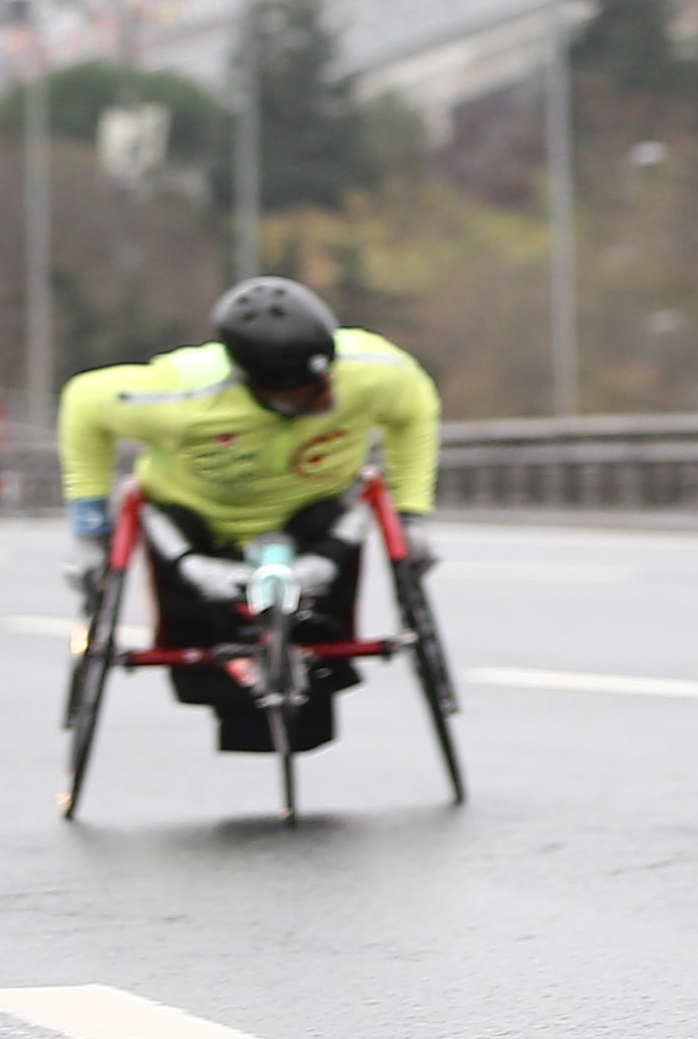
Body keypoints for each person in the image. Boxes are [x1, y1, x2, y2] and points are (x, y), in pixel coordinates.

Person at [58, 277, 439, 756]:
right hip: (197, 528)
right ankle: (220, 677)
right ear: (253, 382)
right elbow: (83, 405)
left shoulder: (375, 371)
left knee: (343, 520)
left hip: (316, 518)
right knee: (178, 551)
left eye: (328, 380)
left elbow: (415, 411)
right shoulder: (181, 396)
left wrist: (411, 514)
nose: (326, 398)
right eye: (306, 393)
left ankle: (317, 668)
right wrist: (90, 531)